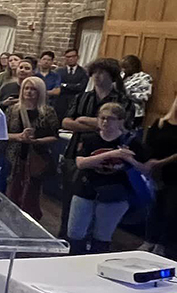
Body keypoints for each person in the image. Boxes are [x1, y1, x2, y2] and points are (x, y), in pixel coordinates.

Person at [60, 57, 130, 237]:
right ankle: (66, 236)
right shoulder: (82, 97)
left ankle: (92, 238)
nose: (97, 76)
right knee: (71, 197)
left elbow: (123, 127)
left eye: (102, 73)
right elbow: (67, 122)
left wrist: (83, 120)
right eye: (95, 73)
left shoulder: (122, 100)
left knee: (100, 202)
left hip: (107, 155)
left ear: (112, 76)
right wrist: (100, 124)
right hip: (76, 151)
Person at [68, 103, 147, 254]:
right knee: (75, 233)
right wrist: (113, 155)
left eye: (110, 119)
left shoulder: (131, 142)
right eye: (102, 118)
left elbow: (145, 169)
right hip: (86, 189)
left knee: (102, 236)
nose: (105, 122)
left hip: (115, 193)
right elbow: (81, 163)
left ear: (120, 121)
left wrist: (129, 160)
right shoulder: (89, 138)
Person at [3, 75, 58, 220]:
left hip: (35, 158)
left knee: (31, 194)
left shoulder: (47, 112)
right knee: (12, 191)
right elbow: (2, 134)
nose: (29, 92)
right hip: (14, 157)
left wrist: (38, 141)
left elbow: (54, 136)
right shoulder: (12, 110)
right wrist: (18, 137)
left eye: (33, 89)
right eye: (26, 88)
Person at [142, 92, 177, 257]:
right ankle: (149, 240)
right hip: (157, 172)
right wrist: (150, 164)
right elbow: (149, 144)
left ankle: (162, 244)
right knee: (155, 207)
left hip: (174, 174)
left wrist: (160, 163)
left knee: (171, 210)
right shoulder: (161, 122)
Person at [54, 47, 87, 122]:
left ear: (77, 57)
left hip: (75, 102)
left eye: (73, 56)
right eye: (68, 57)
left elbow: (81, 87)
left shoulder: (83, 72)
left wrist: (65, 85)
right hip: (60, 102)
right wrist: (73, 86)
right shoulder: (59, 72)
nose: (71, 59)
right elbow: (57, 86)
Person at [121, 54, 152, 125]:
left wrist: (126, 93)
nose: (123, 70)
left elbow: (145, 96)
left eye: (126, 67)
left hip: (134, 112)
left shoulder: (143, 78)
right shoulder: (122, 77)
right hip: (119, 111)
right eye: (122, 67)